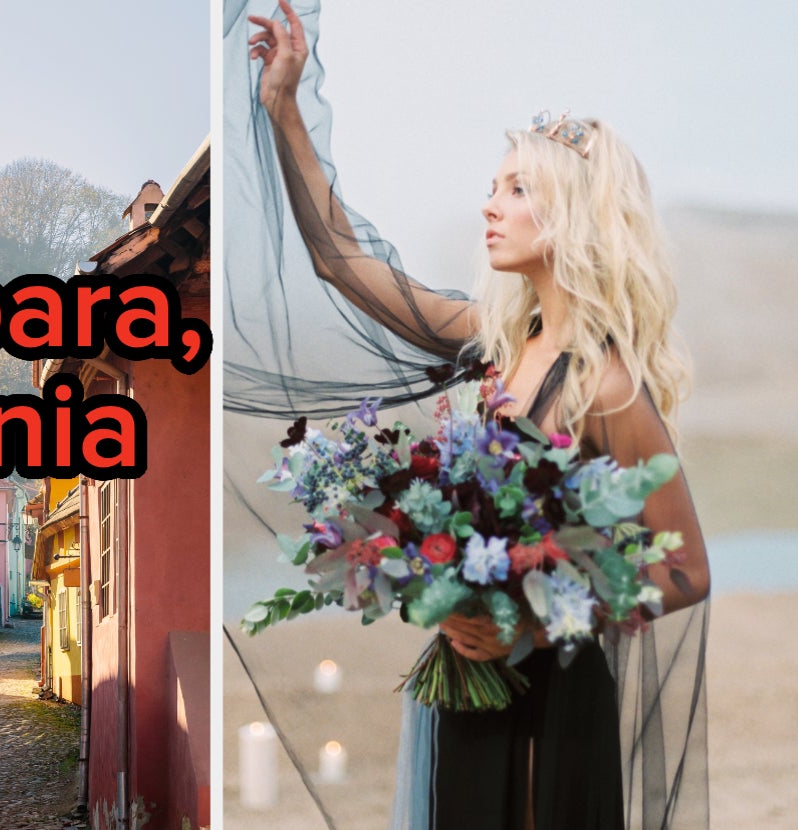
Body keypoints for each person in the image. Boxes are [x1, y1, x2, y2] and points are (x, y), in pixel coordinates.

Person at [228, 1, 711, 827]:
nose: (491, 205)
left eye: (518, 190)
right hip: (468, 688)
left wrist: (532, 620)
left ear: (573, 214)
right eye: (493, 188)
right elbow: (340, 260)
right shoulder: (496, 344)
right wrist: (283, 106)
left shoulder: (605, 385)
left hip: (555, 705)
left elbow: (687, 571)